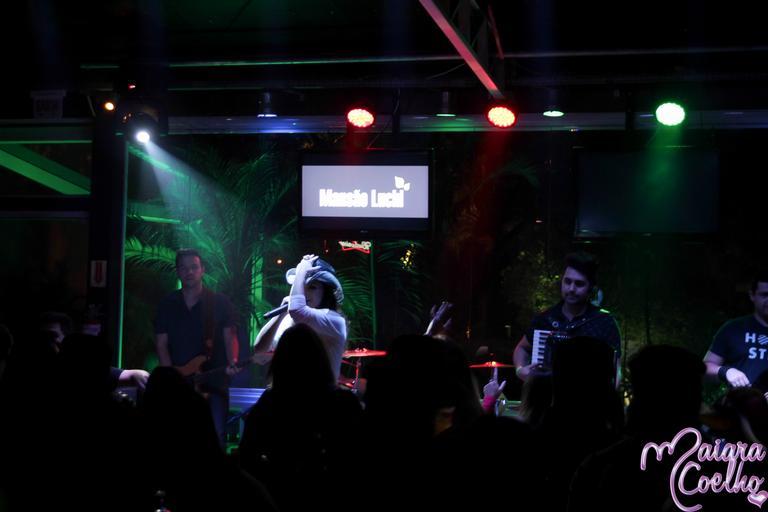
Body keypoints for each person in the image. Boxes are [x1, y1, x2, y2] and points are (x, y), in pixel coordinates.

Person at [154, 249, 239, 445]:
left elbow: (230, 337)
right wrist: (170, 379)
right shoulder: (167, 304)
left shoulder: (219, 302)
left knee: (216, 437)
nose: (189, 272)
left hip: (213, 383)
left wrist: (233, 360)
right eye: (184, 268)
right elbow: (161, 344)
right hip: (178, 386)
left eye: (194, 267)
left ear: (203, 270)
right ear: (177, 272)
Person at [512, 252, 622, 383]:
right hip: (548, 394)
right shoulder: (545, 319)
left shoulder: (604, 322)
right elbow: (522, 348)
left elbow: (616, 370)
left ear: (591, 288)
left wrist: (607, 391)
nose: (571, 289)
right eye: (567, 281)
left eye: (579, 284)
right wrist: (520, 370)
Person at [253, 254, 346, 381]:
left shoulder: (334, 320)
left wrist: (302, 269)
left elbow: (297, 310)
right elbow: (260, 351)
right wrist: (280, 313)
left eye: (312, 287)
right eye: (301, 285)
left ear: (326, 292)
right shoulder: (290, 318)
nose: (304, 292)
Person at [39, 311, 149, 389]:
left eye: (51, 336)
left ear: (67, 338)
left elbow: (131, 375)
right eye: (41, 336)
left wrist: (137, 374)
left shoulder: (79, 369)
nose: (46, 342)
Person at [704, 273, 768, 389]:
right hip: (740, 399)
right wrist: (726, 372)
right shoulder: (733, 328)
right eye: (765, 295)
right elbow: (705, 369)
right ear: (752, 295)